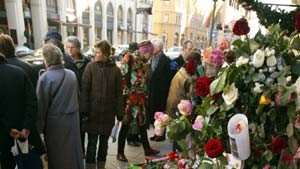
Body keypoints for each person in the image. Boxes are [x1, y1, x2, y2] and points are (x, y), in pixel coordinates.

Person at [36, 44, 84, 169]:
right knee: (72, 152)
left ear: (46, 59)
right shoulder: (71, 74)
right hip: (72, 120)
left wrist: (39, 129)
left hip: (55, 124)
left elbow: (41, 106)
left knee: (57, 155)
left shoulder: (45, 78)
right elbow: (77, 96)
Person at [0, 36, 44, 169]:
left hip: (4, 137)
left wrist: (8, 128)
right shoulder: (25, 68)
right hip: (26, 133)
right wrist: (27, 126)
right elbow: (33, 101)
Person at [80, 40, 123, 169]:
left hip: (108, 115)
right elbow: (84, 91)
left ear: (105, 54)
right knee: (92, 144)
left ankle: (101, 166)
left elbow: (119, 94)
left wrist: (120, 113)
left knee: (104, 145)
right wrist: (84, 110)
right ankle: (90, 167)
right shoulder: (90, 67)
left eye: (97, 52)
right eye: (94, 51)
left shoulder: (115, 70)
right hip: (92, 114)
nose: (94, 54)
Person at [117, 41, 160, 162]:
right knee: (125, 126)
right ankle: (120, 152)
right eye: (150, 54)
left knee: (142, 124)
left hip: (140, 98)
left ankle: (147, 149)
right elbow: (123, 78)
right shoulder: (129, 58)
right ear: (144, 52)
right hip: (130, 99)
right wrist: (126, 96)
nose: (151, 56)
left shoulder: (145, 62)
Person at [166, 51, 202, 151]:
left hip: (176, 105)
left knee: (178, 132)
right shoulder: (187, 76)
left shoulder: (182, 71)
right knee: (181, 135)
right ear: (195, 62)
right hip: (182, 107)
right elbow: (192, 94)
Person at [65, 36, 90, 155]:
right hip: (69, 99)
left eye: (72, 47)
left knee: (81, 127)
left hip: (83, 99)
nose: (69, 50)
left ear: (79, 49)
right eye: (67, 47)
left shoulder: (87, 62)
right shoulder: (64, 62)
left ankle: (81, 150)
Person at [147, 38, 174, 142]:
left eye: (152, 47)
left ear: (158, 48)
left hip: (162, 92)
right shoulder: (152, 59)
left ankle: (161, 134)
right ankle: (156, 132)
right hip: (152, 91)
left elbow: (174, 71)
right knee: (155, 113)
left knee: (161, 113)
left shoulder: (167, 60)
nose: (150, 49)